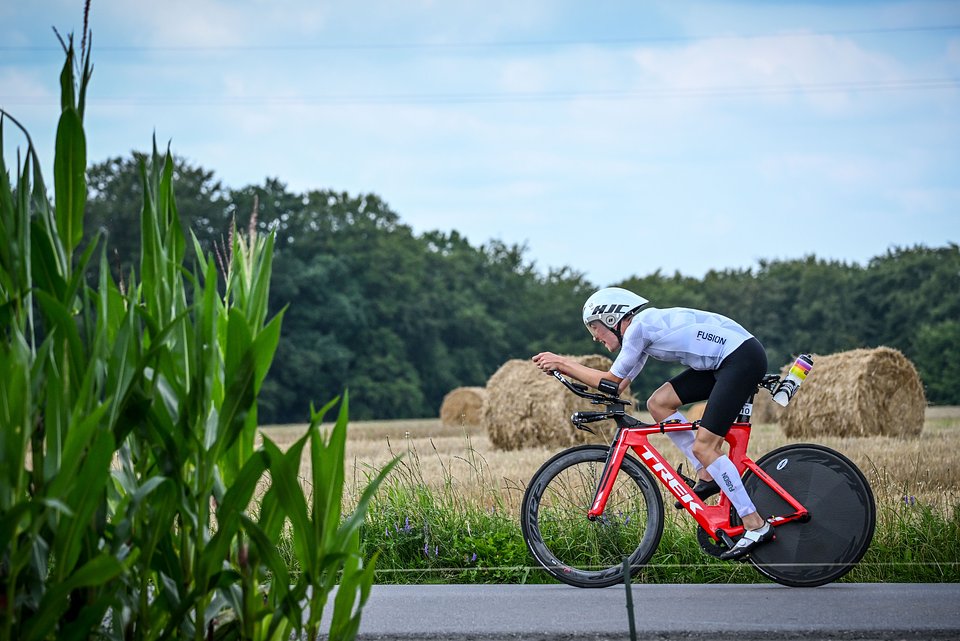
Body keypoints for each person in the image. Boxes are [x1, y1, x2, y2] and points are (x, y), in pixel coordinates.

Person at [532, 286, 774, 560]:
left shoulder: (639, 328)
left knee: (705, 447)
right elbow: (617, 387)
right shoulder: (644, 331)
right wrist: (568, 377)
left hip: (739, 359)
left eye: (594, 328)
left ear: (611, 318)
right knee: (658, 404)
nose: (594, 337)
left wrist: (562, 363)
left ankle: (755, 524)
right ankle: (706, 474)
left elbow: (609, 381)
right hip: (731, 358)